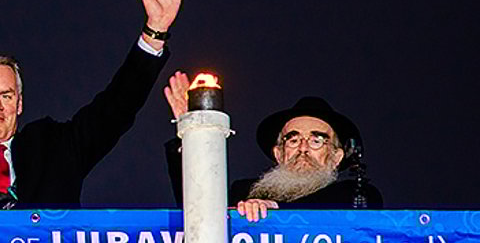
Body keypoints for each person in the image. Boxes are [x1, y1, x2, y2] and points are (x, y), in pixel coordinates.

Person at [0, 0, 191, 209]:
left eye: (6, 96)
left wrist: (155, 31)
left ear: (19, 103)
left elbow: (115, 109)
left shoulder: (53, 148)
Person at [162, 80, 383, 220]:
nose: (303, 148)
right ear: (279, 153)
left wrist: (276, 209)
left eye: (316, 141)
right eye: (293, 140)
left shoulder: (354, 195)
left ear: (336, 156)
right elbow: (198, 213)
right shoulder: (244, 194)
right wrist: (192, 134)